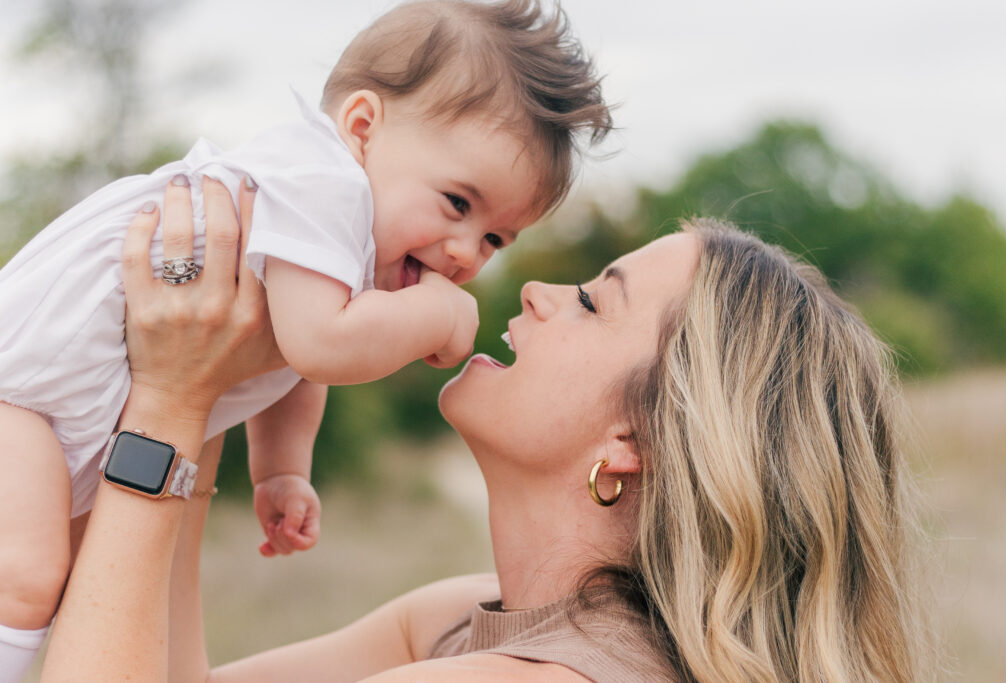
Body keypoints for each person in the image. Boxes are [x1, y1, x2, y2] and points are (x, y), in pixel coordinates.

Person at [41, 175, 934, 681]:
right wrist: (212, 400)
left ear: (639, 439)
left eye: (591, 301)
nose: (540, 293)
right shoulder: (473, 621)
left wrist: (167, 404)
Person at [0, 1, 612, 676]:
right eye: (457, 203)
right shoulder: (325, 182)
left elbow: (298, 365)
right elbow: (320, 344)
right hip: (24, 390)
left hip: (70, 411)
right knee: (28, 574)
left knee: (80, 587)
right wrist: (438, 317)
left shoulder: (340, 246)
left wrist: (282, 467)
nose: (466, 252)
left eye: (495, 237)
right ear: (362, 127)